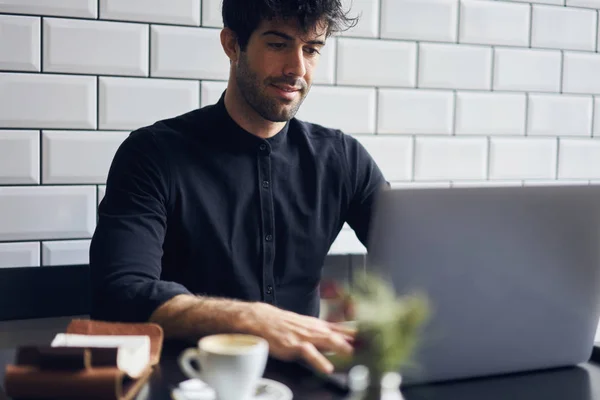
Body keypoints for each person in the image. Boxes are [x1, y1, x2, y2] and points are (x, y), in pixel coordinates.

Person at [90, 0, 388, 375]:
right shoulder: (152, 153)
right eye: (278, 44)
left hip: (311, 381)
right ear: (232, 45)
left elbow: (417, 257)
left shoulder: (344, 158)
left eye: (311, 49)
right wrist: (249, 318)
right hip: (189, 381)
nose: (298, 68)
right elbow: (118, 292)